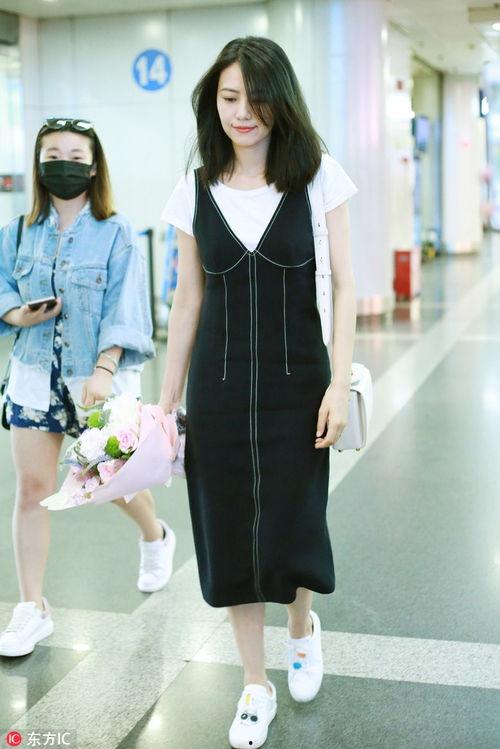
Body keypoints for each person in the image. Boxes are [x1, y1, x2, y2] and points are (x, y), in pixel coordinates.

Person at [160, 37, 358, 749]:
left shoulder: (317, 175)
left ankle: (301, 627)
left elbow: (348, 287)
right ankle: (253, 682)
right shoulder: (193, 189)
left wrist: (339, 382)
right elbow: (187, 301)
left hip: (298, 383)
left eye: (256, 97)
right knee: (228, 530)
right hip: (216, 388)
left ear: (283, 99)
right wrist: (165, 404)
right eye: (229, 97)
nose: (243, 112)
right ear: (212, 103)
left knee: (291, 521)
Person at [0, 118, 176, 659]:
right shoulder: (18, 230)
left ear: (94, 167)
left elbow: (127, 307)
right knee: (32, 489)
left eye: (75, 156)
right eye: (53, 154)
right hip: (34, 376)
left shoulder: (116, 231)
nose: (64, 163)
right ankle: (32, 608)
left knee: (113, 483)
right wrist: (18, 314)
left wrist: (104, 368)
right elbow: (3, 286)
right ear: (39, 165)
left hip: (97, 378)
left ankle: (155, 535)